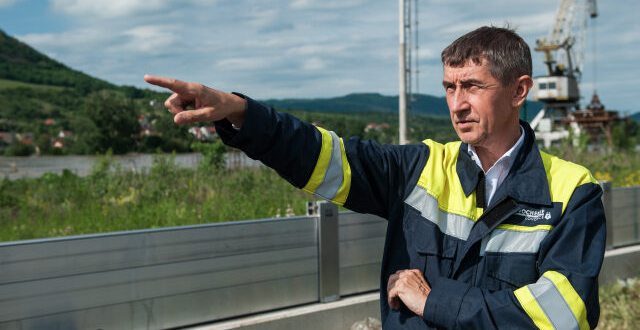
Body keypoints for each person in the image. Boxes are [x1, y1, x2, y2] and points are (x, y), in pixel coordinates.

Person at [145, 26, 606, 329]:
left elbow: (562, 317)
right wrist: (243, 114)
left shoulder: (570, 191)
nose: (457, 103)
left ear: (519, 91)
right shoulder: (419, 168)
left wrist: (436, 302)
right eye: (449, 87)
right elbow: (321, 155)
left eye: (473, 86)